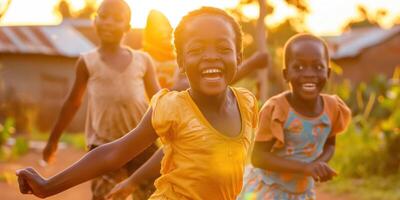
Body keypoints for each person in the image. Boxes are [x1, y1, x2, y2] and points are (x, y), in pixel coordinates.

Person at [16, 6, 259, 200]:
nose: (210, 56)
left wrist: (132, 181)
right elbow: (116, 152)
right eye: (196, 50)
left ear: (238, 56)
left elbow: (179, 151)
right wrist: (48, 186)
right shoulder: (172, 107)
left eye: (223, 48)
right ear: (182, 63)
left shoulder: (247, 103)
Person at [41, 0, 160, 199]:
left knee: (151, 195)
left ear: (128, 27)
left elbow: (160, 102)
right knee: (104, 196)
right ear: (94, 21)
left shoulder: (143, 60)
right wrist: (53, 141)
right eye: (103, 17)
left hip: (141, 145)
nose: (108, 23)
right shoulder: (87, 62)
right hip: (103, 149)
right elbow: (73, 102)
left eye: (116, 19)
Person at [237, 33, 352, 200]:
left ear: (327, 73)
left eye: (317, 67)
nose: (308, 74)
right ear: (286, 74)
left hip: (300, 192)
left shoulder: (333, 108)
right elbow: (259, 157)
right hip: (267, 189)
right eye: (298, 67)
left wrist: (319, 164)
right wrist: (305, 169)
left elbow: (330, 145)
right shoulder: (276, 109)